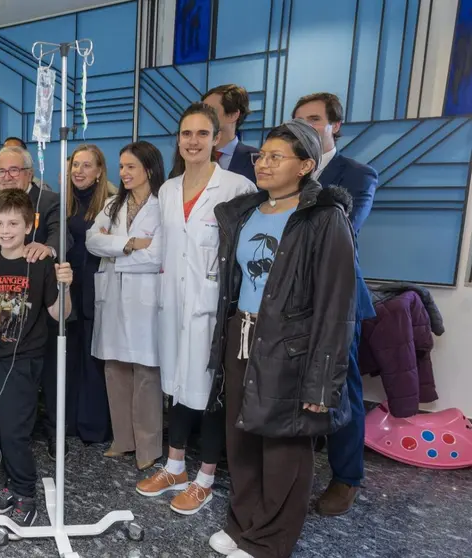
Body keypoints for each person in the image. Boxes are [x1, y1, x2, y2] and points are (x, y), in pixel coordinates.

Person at [206, 120, 357, 558]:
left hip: (293, 344)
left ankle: (271, 541)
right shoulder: (246, 211)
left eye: (276, 157)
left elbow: (337, 305)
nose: (264, 164)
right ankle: (244, 523)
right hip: (242, 333)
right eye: (261, 156)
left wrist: (322, 381)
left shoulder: (324, 218)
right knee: (243, 435)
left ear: (306, 165)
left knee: (284, 445)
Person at [137, 102, 255, 515]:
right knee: (178, 389)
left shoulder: (237, 188)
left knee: (209, 394)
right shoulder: (168, 190)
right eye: (186, 134)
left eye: (202, 134)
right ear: (178, 139)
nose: (193, 141)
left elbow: (242, 257)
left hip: (212, 310)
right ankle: (174, 467)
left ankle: (204, 477)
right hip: (172, 306)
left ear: (217, 138)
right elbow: (160, 250)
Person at [293, 91, 378, 516]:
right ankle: (294, 473)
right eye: (299, 120)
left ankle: (347, 478)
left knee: (343, 389)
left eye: (314, 120)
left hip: (339, 296)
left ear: (335, 125)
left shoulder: (357, 174)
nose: (307, 127)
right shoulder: (287, 171)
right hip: (292, 298)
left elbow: (343, 227)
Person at [0, 188, 73, 533]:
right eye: (0, 223)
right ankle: (13, 484)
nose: (6, 230)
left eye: (14, 223)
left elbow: (60, 314)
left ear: (29, 226)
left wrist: (65, 286)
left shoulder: (40, 263)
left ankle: (25, 493)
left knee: (15, 430)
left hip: (24, 360)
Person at [0, 145, 68, 458]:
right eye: (1, 171)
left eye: (13, 170)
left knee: (49, 375)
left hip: (43, 304)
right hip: (4, 302)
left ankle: (55, 435)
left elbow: (62, 234)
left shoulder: (49, 200)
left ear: (29, 173)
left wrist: (47, 249)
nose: (6, 176)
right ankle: (9, 436)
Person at [87, 141, 166, 470]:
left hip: (146, 300)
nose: (123, 173)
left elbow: (158, 254)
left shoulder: (163, 205)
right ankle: (123, 440)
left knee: (146, 374)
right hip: (114, 297)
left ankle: (148, 448)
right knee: (115, 369)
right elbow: (93, 240)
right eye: (121, 167)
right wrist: (130, 244)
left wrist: (115, 251)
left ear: (148, 169)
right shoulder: (111, 205)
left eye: (130, 167)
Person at [63, 144, 113, 444]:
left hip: (98, 290)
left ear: (98, 172)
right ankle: (69, 422)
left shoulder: (111, 203)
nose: (78, 171)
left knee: (94, 361)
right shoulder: (63, 202)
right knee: (70, 359)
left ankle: (94, 426)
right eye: (75, 165)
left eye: (85, 166)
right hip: (70, 289)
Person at [202, 84, 259, 183]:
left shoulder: (256, 160)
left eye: (211, 111)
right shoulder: (191, 155)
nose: (202, 116)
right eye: (202, 111)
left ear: (233, 115)